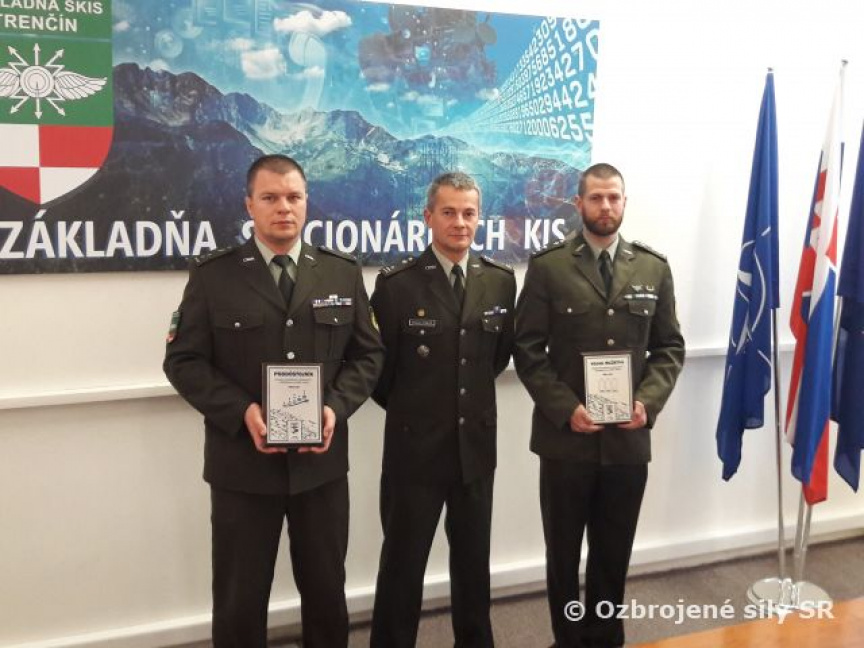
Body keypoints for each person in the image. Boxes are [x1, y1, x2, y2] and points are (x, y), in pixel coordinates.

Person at [163, 154, 384, 648]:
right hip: (242, 467)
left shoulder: (340, 273)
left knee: (326, 594)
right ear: (249, 205)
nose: (284, 207)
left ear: (306, 202)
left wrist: (335, 408)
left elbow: (369, 356)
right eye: (270, 198)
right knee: (239, 601)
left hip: (320, 467)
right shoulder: (214, 276)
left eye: (293, 197)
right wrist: (242, 411)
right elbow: (183, 361)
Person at [514, 163, 685, 648]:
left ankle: (607, 638)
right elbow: (527, 349)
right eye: (596, 198)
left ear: (624, 202)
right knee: (563, 555)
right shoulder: (549, 267)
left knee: (613, 554)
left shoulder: (653, 267)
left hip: (627, 442)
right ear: (579, 203)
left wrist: (647, 403)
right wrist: (564, 407)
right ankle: (567, 640)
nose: (605, 206)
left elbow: (670, 347)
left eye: (613, 197)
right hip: (566, 441)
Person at [369, 172, 516, 647]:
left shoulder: (500, 282)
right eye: (449, 212)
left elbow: (495, 359)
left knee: (473, 564)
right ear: (428, 217)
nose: (460, 222)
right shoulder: (397, 286)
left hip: (475, 447)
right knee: (402, 565)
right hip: (415, 451)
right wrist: (420, 413)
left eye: (469, 213)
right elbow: (379, 374)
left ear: (479, 218)